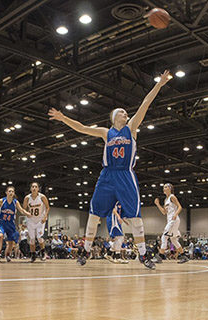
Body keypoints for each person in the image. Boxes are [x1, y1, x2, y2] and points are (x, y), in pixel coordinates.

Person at [48, 70, 174, 270]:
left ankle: (143, 255)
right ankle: (86, 250)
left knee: (135, 216)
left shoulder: (131, 127)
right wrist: (63, 118)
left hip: (125, 174)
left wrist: (159, 84)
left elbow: (145, 104)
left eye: (125, 112)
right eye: (122, 111)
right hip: (107, 175)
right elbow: (81, 128)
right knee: (94, 212)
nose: (126, 113)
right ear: (115, 116)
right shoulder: (106, 132)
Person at [154, 183, 189, 263]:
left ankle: (160, 256)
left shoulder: (172, 197)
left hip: (174, 220)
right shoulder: (166, 200)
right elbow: (164, 212)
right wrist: (158, 204)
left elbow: (180, 207)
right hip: (170, 220)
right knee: (173, 240)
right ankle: (184, 256)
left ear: (170, 188)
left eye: (165, 187)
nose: (164, 188)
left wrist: (175, 214)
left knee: (164, 236)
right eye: (163, 187)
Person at [23, 182, 50, 262]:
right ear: (30, 189)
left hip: (40, 220)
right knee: (31, 239)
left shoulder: (42, 197)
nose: (34, 188)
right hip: (31, 220)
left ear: (38, 188)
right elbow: (23, 209)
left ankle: (43, 253)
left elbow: (48, 207)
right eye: (32, 187)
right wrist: (26, 213)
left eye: (36, 187)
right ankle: (33, 255)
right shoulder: (27, 198)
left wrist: (45, 216)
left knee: (39, 237)